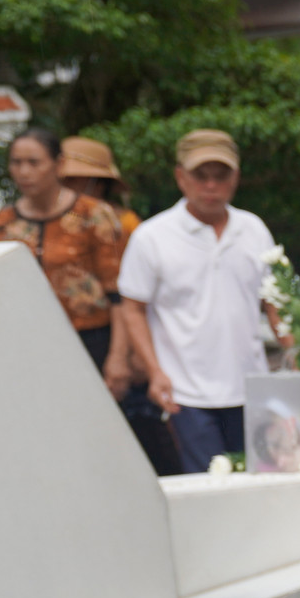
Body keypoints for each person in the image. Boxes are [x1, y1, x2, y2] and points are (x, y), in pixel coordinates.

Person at [118, 129, 291, 473]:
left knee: (261, 476)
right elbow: (133, 308)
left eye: (221, 175)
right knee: (209, 483)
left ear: (236, 178)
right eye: (201, 176)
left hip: (251, 387)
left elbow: (274, 301)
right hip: (186, 393)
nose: (210, 186)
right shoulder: (152, 237)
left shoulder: (253, 229)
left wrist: (295, 354)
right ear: (180, 177)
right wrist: (154, 372)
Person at [58, 135, 183, 476]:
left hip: (119, 345)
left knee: (142, 441)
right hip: (72, 341)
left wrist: (129, 356)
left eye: (73, 179)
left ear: (96, 183)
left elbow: (131, 298)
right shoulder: (52, 224)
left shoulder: (124, 224)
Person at [0, 128, 127, 393]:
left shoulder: (91, 214)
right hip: (30, 342)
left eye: (34, 162)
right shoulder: (4, 224)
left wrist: (119, 356)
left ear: (58, 164)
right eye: (17, 163)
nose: (24, 172)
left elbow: (118, 292)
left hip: (92, 337)